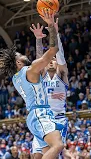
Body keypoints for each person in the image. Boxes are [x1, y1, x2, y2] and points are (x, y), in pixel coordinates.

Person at [0, 9, 64, 159]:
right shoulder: (29, 70)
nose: (22, 54)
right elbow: (53, 50)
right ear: (18, 62)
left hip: (35, 116)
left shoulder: (17, 77)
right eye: (19, 55)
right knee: (58, 145)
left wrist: (38, 39)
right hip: (40, 114)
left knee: (49, 154)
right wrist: (51, 25)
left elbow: (39, 64)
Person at [30, 18, 69, 159]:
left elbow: (61, 58)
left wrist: (55, 33)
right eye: (49, 60)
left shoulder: (62, 74)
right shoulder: (42, 75)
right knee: (37, 157)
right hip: (41, 120)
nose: (51, 62)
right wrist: (38, 39)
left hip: (57, 120)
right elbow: (39, 59)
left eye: (53, 60)